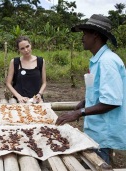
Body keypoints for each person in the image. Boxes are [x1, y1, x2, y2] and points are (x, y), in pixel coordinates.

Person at [55, 14, 126, 165]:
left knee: (100, 164)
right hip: (96, 129)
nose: (82, 38)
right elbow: (101, 92)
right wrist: (85, 101)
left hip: (103, 132)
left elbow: (112, 101)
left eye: (85, 34)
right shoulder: (98, 60)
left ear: (95, 35)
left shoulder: (107, 62)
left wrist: (78, 112)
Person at [6, 36, 46, 103]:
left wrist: (39, 94)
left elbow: (44, 83)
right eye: (22, 48)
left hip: (37, 101)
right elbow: (8, 83)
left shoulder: (40, 61)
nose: (26, 50)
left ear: (31, 45)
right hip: (20, 101)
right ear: (19, 50)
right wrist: (18, 96)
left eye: (27, 46)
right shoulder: (15, 62)